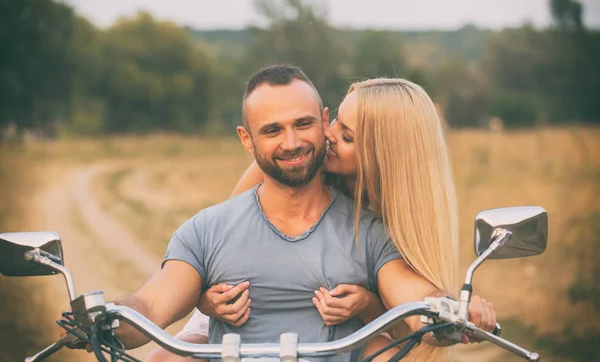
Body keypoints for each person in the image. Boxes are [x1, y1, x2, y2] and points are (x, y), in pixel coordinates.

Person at [144, 66, 496, 362]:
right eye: (335, 121)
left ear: (380, 153)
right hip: (239, 314)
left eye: (345, 135)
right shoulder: (293, 165)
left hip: (345, 333)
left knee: (380, 349)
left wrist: (451, 309)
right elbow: (233, 239)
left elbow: (412, 308)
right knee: (171, 353)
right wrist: (203, 297)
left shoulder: (389, 222)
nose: (324, 137)